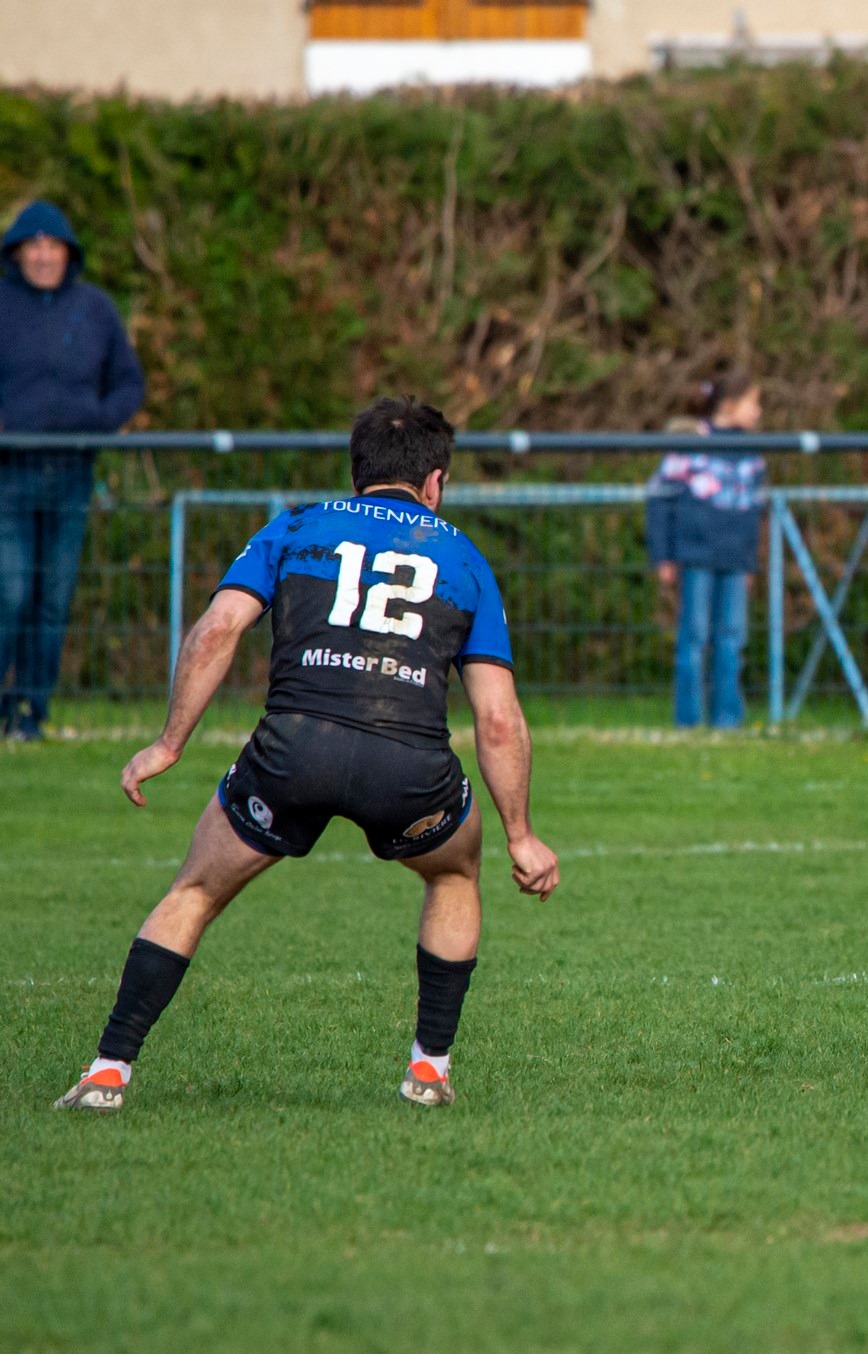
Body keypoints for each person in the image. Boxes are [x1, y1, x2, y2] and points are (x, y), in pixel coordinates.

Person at [54, 397, 560, 1114]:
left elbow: (217, 629)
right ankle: (430, 1071)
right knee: (454, 873)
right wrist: (521, 835)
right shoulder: (463, 556)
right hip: (408, 770)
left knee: (194, 890)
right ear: (435, 482)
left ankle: (109, 1070)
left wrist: (169, 743)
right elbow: (498, 718)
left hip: (294, 752)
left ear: (357, 474)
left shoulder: (296, 526)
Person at [0, 200, 146, 740]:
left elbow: (129, 384)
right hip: (9, 474)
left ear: (68, 253)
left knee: (53, 598)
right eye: (33, 245)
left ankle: (29, 714)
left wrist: (97, 423)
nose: (42, 255)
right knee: (10, 592)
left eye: (52, 245)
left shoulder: (95, 309)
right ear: (17, 253)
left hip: (71, 474)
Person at [648, 373, 765, 729]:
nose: (759, 412)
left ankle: (728, 720)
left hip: (735, 559)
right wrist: (663, 554)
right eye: (753, 403)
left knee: (732, 640)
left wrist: (751, 562)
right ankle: (688, 721)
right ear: (729, 405)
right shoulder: (690, 441)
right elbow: (660, 498)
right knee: (694, 639)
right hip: (697, 556)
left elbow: (756, 509)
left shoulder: (753, 452)